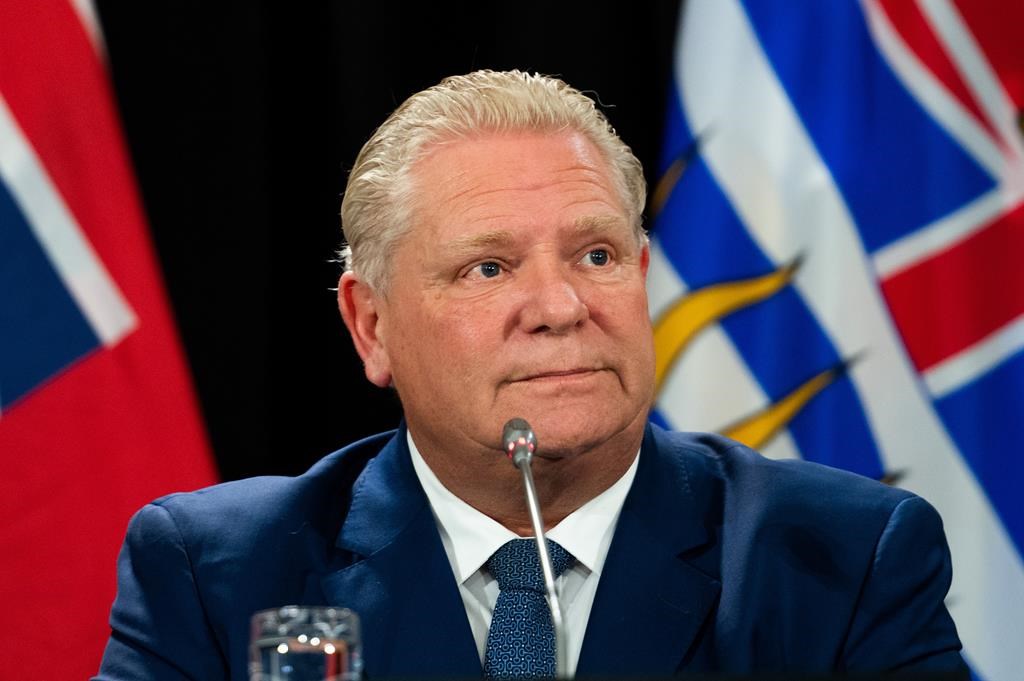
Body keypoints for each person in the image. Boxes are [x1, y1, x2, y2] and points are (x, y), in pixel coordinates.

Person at [95, 70, 966, 680]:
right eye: (489, 267)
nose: (560, 305)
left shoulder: (843, 560)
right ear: (371, 325)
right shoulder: (219, 576)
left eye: (597, 254)